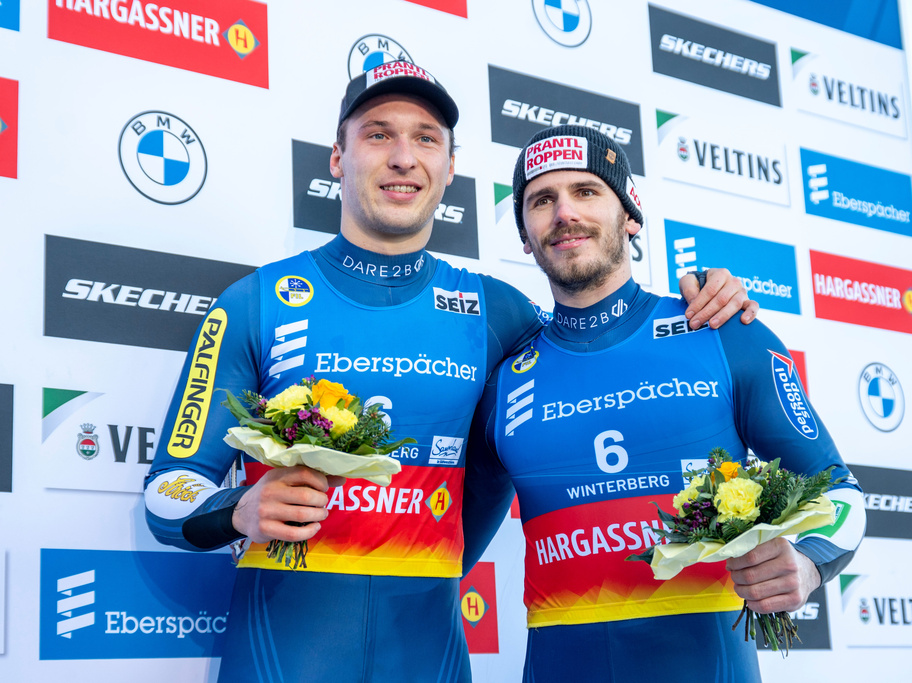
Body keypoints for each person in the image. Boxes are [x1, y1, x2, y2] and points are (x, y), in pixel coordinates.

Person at [143, 63, 754, 682]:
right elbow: (165, 493)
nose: (404, 157)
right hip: (281, 654)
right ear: (337, 157)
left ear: (449, 169)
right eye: (378, 134)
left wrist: (711, 299)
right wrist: (238, 509)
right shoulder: (256, 301)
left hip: (430, 654)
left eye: (427, 138)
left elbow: (600, 344)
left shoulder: (500, 313)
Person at [463, 124, 867, 682]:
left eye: (586, 192)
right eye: (541, 200)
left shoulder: (720, 328)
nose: (563, 213)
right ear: (526, 236)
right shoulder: (503, 380)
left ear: (630, 215)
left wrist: (809, 561)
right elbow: (442, 552)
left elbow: (837, 488)